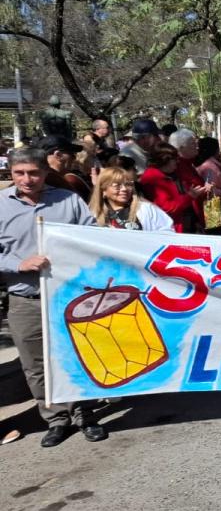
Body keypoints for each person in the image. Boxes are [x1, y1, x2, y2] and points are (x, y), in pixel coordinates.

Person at [0, 147, 106, 446]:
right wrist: (17, 265)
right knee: (35, 364)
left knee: (75, 356)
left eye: (33, 172)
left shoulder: (68, 200)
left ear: (45, 172)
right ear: (11, 172)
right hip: (25, 299)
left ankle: (84, 414)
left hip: (66, 294)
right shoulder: (1, 205)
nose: (27, 179)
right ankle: (56, 419)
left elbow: (91, 237)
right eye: (19, 173)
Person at [138, 143, 209, 233]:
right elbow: (168, 207)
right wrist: (190, 196)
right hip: (174, 227)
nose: (177, 161)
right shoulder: (153, 178)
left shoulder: (172, 173)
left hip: (187, 223)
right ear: (164, 160)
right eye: (175, 159)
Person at [89, 166, 174, 231]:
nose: (124, 189)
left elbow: (166, 232)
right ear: (103, 190)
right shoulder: (92, 214)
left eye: (128, 184)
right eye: (117, 186)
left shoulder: (145, 209)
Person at [39, 135, 92, 202]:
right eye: (72, 154)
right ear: (58, 155)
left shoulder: (45, 177)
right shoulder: (53, 180)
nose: (74, 158)